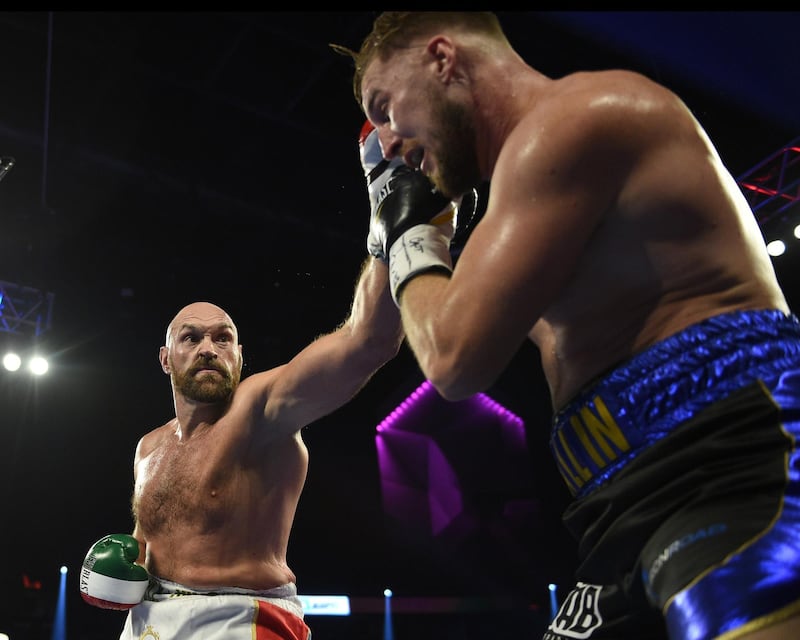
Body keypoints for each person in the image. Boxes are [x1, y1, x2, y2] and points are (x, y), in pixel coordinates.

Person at [334, 11, 800, 640]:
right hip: (619, 501)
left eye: (386, 107)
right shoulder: (520, 210)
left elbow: (451, 359)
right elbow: (377, 333)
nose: (387, 141)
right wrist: (388, 226)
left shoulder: (580, 117)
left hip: (733, 453)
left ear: (443, 59)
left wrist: (410, 233)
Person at [77, 142, 422, 638]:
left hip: (239, 619)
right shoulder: (148, 448)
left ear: (241, 357)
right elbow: (147, 542)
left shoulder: (262, 411)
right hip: (148, 622)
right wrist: (122, 570)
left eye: (223, 338)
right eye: (190, 338)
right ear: (164, 358)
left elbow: (366, 343)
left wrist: (392, 235)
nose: (208, 348)